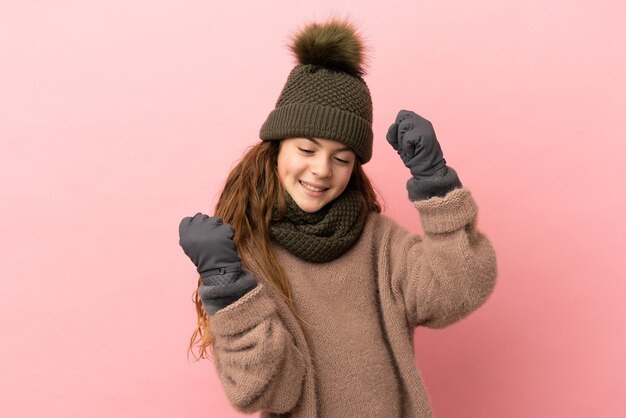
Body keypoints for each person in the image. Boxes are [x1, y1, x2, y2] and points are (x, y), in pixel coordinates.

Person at [178, 19, 497, 418]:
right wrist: (227, 287)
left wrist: (435, 184)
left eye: (342, 158)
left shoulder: (381, 246)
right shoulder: (250, 259)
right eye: (307, 150)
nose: (322, 170)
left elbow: (459, 289)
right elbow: (263, 391)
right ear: (277, 149)